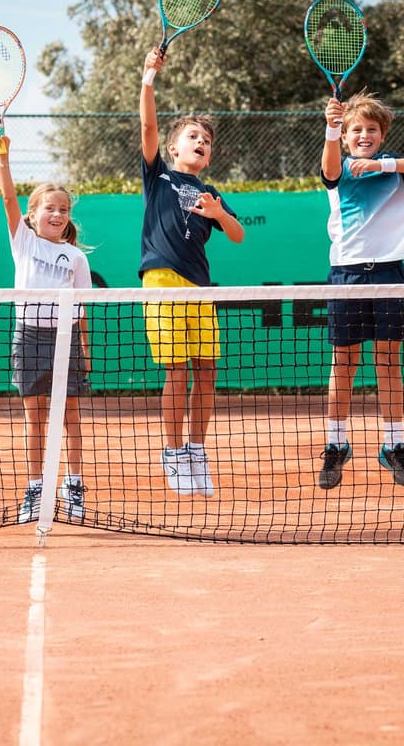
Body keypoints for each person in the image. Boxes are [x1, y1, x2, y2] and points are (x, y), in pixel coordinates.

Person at [317, 91, 404, 490]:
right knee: (344, 363)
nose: (364, 135)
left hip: (389, 272)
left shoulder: (394, 168)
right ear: (346, 136)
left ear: (382, 135)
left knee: (388, 362)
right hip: (347, 275)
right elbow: (328, 168)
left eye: (371, 129)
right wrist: (331, 128)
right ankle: (336, 444)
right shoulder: (339, 167)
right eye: (356, 129)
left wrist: (383, 164)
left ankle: (393, 446)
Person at [139, 47, 246, 497]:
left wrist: (218, 214)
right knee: (177, 371)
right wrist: (148, 78)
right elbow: (147, 126)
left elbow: (238, 235)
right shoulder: (159, 177)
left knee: (206, 371)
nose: (201, 142)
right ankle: (172, 453)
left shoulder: (211, 192)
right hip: (162, 281)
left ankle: (197, 452)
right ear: (174, 148)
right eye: (192, 136)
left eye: (206, 140)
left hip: (200, 287)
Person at [0, 135, 93, 524]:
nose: (57, 214)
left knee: (71, 417)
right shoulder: (23, 242)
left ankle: (74, 484)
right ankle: (35, 488)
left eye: (63, 209)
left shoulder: (76, 258)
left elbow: (82, 309)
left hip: (66, 340)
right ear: (32, 215)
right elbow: (7, 197)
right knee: (34, 418)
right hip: (29, 338)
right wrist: (3, 158)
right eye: (49, 208)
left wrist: (85, 349)